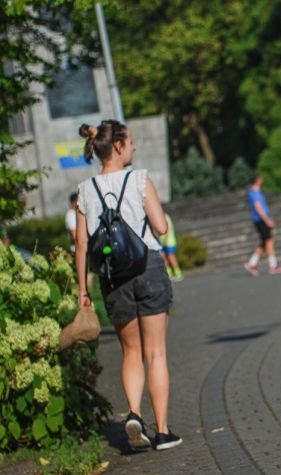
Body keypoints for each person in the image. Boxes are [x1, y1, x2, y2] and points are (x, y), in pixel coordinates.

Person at [74, 120, 182, 451]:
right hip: (147, 268)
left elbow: (81, 245)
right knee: (156, 352)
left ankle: (134, 413)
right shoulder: (139, 179)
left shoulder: (85, 190)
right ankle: (162, 432)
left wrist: (83, 291)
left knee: (131, 351)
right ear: (118, 146)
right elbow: (161, 227)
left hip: (112, 278)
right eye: (131, 142)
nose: (134, 147)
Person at [244, 175, 281, 276]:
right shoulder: (253, 193)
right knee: (269, 241)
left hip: (262, 220)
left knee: (264, 242)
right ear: (256, 181)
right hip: (260, 220)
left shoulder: (257, 192)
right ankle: (273, 265)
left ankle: (252, 263)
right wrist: (267, 220)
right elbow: (258, 207)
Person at [158, 213, 183, 282]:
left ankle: (178, 273)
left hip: (168, 241)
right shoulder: (163, 216)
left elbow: (165, 230)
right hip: (163, 241)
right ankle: (169, 274)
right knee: (164, 257)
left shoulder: (164, 217)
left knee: (170, 257)